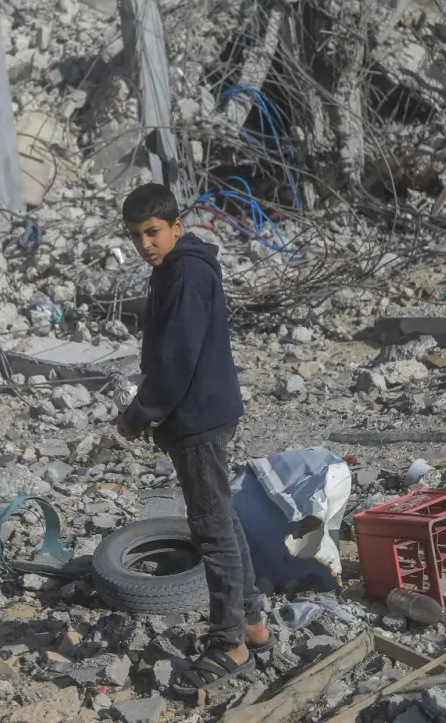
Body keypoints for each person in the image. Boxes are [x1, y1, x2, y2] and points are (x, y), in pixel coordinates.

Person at [115, 184, 271, 697]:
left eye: (153, 232)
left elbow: (176, 357)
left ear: (176, 227)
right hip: (202, 412)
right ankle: (249, 622)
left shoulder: (186, 273)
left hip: (198, 417)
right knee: (221, 519)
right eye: (137, 236)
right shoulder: (175, 270)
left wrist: (141, 413)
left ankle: (229, 643)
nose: (145, 243)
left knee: (211, 529)